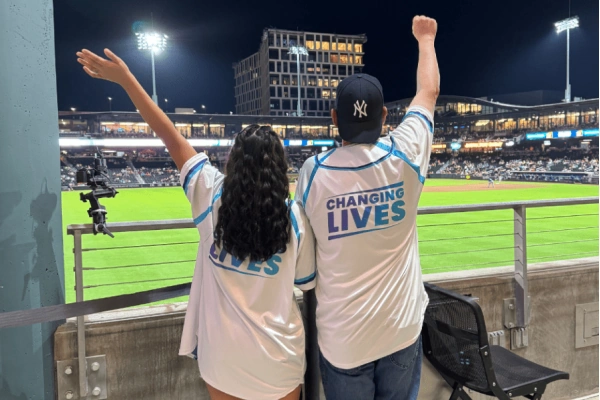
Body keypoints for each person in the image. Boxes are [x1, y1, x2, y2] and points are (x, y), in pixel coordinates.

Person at [76, 49, 316, 400]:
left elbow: (167, 133)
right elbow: (305, 280)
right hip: (280, 359)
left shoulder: (210, 194)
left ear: (233, 161)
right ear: (281, 171)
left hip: (224, 360)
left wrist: (126, 79)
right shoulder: (294, 218)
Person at [294, 15, 439, 399]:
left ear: (334, 119)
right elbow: (428, 93)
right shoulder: (406, 154)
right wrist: (426, 39)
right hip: (401, 329)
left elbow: (305, 268)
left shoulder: (313, 173)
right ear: (385, 117)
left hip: (345, 341)